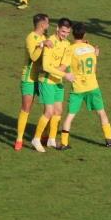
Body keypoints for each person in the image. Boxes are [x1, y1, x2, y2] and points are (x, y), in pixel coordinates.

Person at [58, 22, 111, 150]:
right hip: (93, 86)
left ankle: (64, 143)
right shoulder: (91, 48)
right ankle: (109, 140)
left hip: (78, 88)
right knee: (101, 113)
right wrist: (96, 55)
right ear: (84, 34)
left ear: (72, 34)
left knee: (70, 115)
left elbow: (63, 67)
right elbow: (94, 70)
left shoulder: (70, 49)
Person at [31, 18, 74, 152]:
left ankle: (51, 139)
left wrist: (59, 73)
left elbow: (65, 64)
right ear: (57, 29)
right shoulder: (50, 42)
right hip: (47, 81)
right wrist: (64, 75)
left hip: (57, 82)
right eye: (62, 31)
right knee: (49, 112)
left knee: (58, 111)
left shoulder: (67, 44)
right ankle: (36, 139)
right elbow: (45, 66)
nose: (65, 34)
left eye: (67, 32)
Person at [15, 13, 51, 151]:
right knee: (26, 108)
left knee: (48, 107)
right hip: (29, 78)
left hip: (41, 78)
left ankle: (44, 136)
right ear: (42, 24)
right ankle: (19, 139)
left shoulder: (43, 37)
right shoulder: (31, 38)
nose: (48, 25)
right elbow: (34, 57)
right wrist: (42, 45)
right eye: (47, 23)